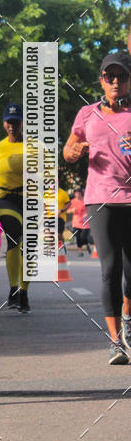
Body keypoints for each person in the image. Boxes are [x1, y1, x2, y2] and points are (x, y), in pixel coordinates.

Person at [63, 52, 131, 364]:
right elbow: (69, 149)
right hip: (100, 197)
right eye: (109, 76)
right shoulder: (87, 114)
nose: (115, 82)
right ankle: (116, 341)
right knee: (110, 269)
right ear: (101, 80)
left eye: (121, 76)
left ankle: (127, 319)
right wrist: (73, 149)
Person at [0, 103, 30, 313]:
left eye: (16, 122)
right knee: (14, 236)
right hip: (6, 199)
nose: (12, 126)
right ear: (4, 124)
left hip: (30, 199)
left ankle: (23, 292)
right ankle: (13, 288)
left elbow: (49, 176)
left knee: (30, 247)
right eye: (9, 122)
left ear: (22, 123)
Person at [68, 188, 93, 256]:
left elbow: (90, 209)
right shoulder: (72, 201)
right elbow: (67, 211)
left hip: (85, 222)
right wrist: (72, 210)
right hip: (76, 222)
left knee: (83, 236)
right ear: (74, 194)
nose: (77, 194)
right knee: (78, 237)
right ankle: (80, 252)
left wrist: (87, 213)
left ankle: (86, 243)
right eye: (76, 193)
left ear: (81, 193)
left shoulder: (85, 200)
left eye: (79, 193)